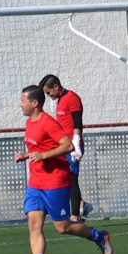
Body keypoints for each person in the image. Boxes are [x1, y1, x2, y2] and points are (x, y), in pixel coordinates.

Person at [14, 85, 112, 254]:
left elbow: (68, 146)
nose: (20, 104)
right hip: (35, 183)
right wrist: (26, 155)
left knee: (63, 227)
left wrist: (43, 155)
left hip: (55, 181)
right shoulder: (29, 122)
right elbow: (38, 147)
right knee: (34, 224)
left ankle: (99, 236)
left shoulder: (48, 122)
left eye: (23, 101)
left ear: (35, 103)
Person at [39, 74, 91, 222]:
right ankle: (82, 205)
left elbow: (77, 122)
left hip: (72, 146)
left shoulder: (72, 98)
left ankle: (74, 216)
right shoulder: (61, 100)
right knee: (65, 178)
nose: (49, 96)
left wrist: (76, 144)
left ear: (56, 87)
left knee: (72, 178)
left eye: (49, 92)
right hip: (64, 146)